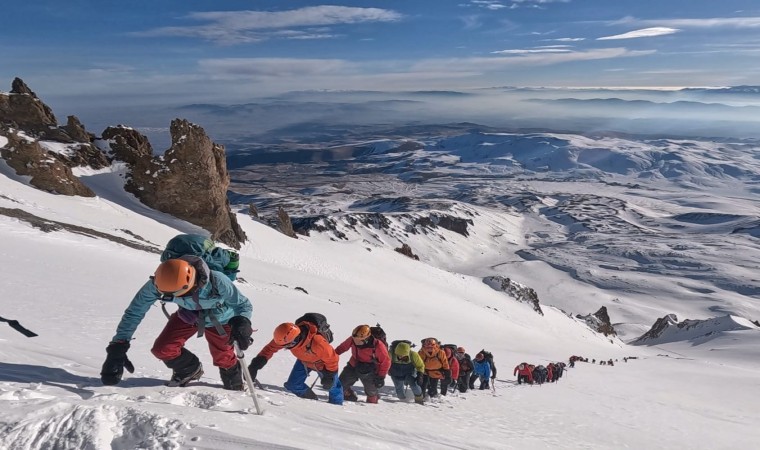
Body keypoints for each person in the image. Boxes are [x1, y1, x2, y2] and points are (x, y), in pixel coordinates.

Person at [100, 257, 253, 390]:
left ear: (193, 283)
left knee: (223, 357)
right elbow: (135, 311)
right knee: (163, 349)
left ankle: (234, 384)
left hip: (222, 319)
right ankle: (189, 369)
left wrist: (243, 321)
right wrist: (118, 345)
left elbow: (243, 305)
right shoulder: (157, 283)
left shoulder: (217, 280)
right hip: (188, 316)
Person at [247, 319, 343, 405]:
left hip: (322, 364)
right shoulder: (285, 337)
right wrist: (255, 365)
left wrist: (330, 375)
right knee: (293, 385)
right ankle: (312, 402)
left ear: (294, 340)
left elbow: (333, 358)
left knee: (333, 386)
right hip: (303, 360)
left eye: (287, 346)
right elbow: (270, 348)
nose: (285, 348)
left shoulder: (318, 342)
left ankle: (337, 407)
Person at [335, 324, 390, 403]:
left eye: (358, 340)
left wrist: (381, 377)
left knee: (371, 391)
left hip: (371, 368)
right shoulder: (353, 339)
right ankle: (349, 395)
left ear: (366, 338)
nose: (355, 342)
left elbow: (386, 362)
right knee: (341, 384)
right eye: (354, 339)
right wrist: (332, 356)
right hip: (354, 363)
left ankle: (372, 403)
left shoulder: (378, 346)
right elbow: (342, 348)